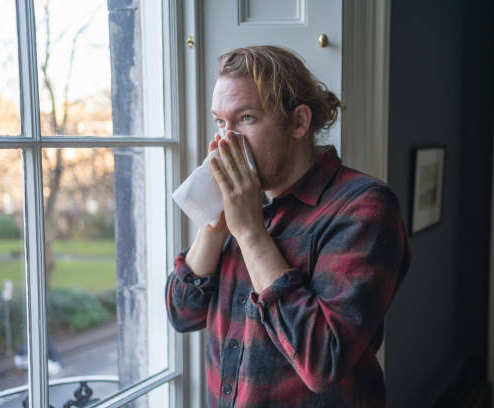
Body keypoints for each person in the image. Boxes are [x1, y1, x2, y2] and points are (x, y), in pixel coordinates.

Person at [165, 45, 410, 408]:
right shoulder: (244, 201)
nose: (226, 142)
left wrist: (250, 233)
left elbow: (324, 361)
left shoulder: (364, 207)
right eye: (220, 122)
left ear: (299, 122)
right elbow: (182, 314)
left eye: (246, 118)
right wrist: (216, 227)